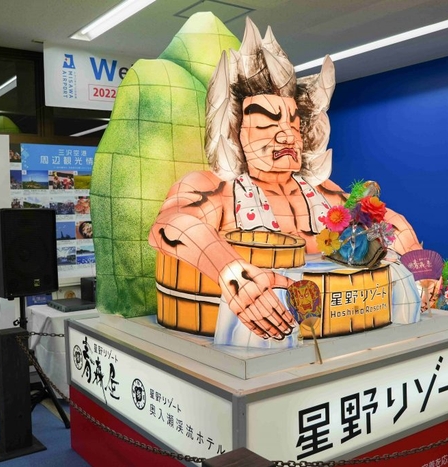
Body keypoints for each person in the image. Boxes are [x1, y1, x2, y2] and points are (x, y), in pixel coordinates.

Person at [149, 18, 422, 342]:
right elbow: (171, 225)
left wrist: (419, 268)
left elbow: (390, 223)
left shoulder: (323, 192)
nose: (287, 135)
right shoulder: (215, 188)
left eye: (293, 124)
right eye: (267, 123)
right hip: (251, 336)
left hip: (343, 327)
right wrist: (233, 272)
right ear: (235, 131)